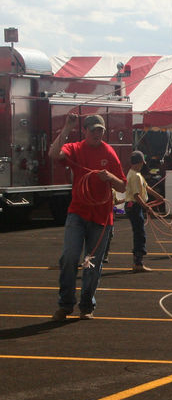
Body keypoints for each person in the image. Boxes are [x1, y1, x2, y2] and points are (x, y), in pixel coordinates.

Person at [48, 113, 126, 321]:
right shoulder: (76, 148)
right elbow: (54, 154)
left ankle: (86, 305)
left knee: (92, 263)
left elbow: (122, 185)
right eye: (93, 130)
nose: (97, 134)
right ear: (85, 131)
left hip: (101, 216)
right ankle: (65, 304)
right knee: (70, 257)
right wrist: (66, 129)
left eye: (100, 130)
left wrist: (109, 177)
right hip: (78, 211)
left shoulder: (109, 153)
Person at [125, 150, 164, 272]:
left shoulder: (135, 174)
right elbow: (136, 195)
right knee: (139, 234)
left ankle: (138, 261)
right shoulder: (135, 176)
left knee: (139, 232)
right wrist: (146, 207)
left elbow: (146, 187)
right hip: (134, 206)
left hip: (133, 206)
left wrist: (159, 197)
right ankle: (138, 263)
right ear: (141, 162)